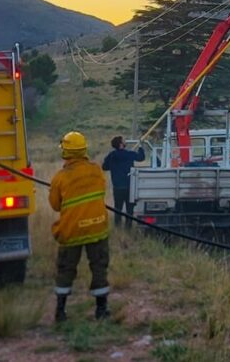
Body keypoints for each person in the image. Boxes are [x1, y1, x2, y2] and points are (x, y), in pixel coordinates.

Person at [50, 131, 111, 323]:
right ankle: (101, 310)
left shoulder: (60, 178)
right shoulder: (96, 170)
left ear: (65, 152)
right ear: (84, 150)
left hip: (71, 231)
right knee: (99, 267)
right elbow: (101, 190)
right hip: (97, 228)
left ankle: (60, 312)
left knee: (66, 269)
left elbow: (55, 205)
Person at [102, 136, 145, 228]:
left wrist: (113, 166)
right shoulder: (129, 154)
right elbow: (141, 157)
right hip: (129, 187)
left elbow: (104, 167)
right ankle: (128, 228)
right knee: (129, 210)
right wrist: (140, 147)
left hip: (117, 187)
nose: (125, 142)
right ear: (121, 144)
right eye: (124, 141)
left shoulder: (112, 155)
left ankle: (118, 227)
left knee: (118, 209)